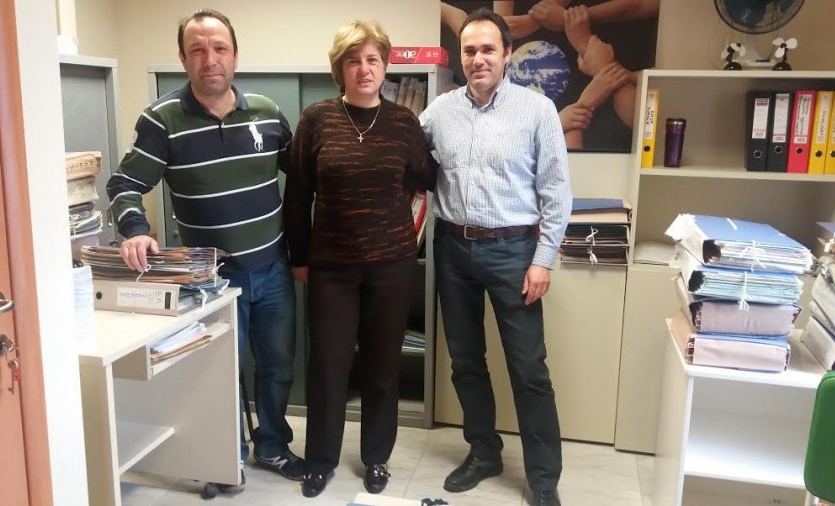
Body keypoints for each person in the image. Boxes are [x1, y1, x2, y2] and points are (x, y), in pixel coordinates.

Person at [105, 8, 305, 495]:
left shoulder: (266, 111)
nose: (209, 59)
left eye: (219, 48)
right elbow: (124, 184)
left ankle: (272, 446)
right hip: (212, 280)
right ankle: (225, 459)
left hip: (273, 269)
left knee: (277, 366)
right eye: (197, 50)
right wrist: (134, 230)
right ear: (183, 58)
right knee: (219, 374)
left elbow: (303, 173)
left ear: (235, 55)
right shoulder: (162, 119)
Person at [419, 8, 571, 506]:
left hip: (515, 252)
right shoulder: (438, 111)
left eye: (488, 49)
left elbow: (556, 192)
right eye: (469, 50)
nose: (478, 58)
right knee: (465, 362)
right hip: (453, 249)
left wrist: (543, 259)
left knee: (529, 369)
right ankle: (484, 453)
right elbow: (405, 156)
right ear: (460, 56)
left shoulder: (537, 110)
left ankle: (543, 479)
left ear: (507, 54)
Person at [283, 20, 437, 499]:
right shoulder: (316, 120)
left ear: (385, 66)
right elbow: (298, 194)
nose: (364, 69)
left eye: (372, 59)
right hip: (331, 268)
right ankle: (320, 460)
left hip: (392, 265)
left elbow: (426, 178)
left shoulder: (404, 123)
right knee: (328, 366)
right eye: (353, 60)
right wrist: (299, 257)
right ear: (340, 69)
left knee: (380, 366)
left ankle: (376, 458)